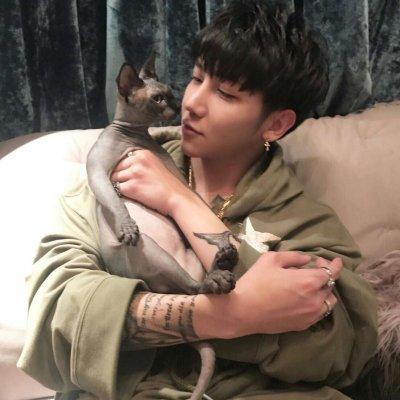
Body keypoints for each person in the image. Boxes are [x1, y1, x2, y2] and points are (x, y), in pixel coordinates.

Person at [18, 1, 377, 399]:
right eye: (196, 77)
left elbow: (340, 349)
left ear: (276, 124)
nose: (191, 103)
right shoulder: (116, 170)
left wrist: (180, 201)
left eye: (225, 93)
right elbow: (57, 314)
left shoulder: (305, 220)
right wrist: (229, 316)